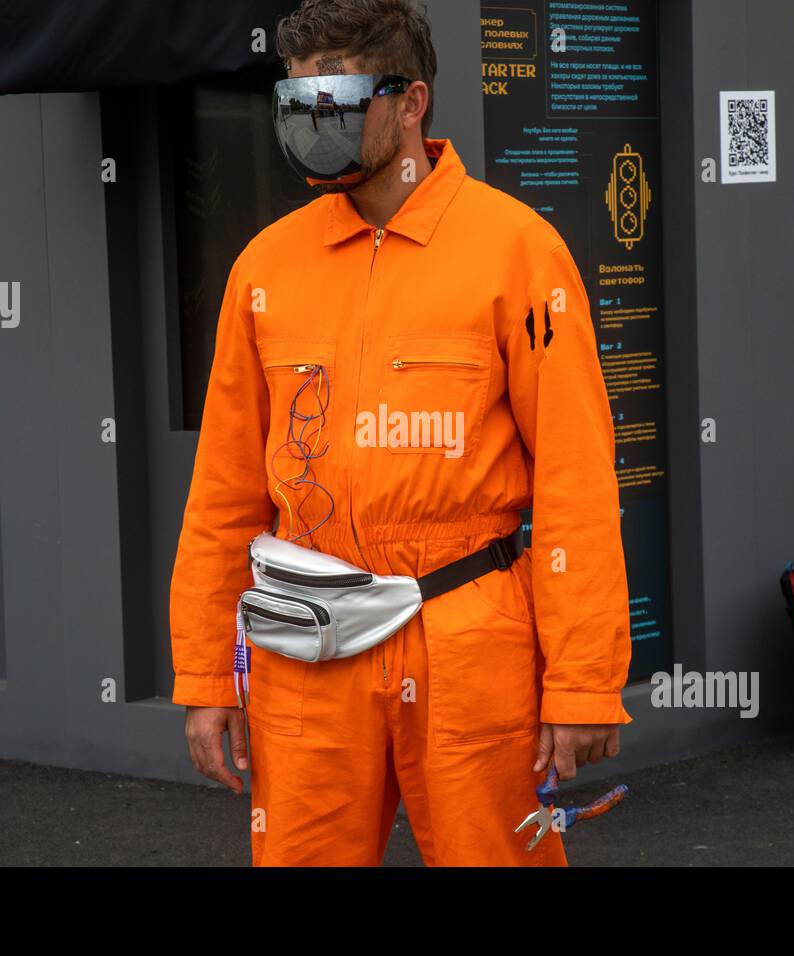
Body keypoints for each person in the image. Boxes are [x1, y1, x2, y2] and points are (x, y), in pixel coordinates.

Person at [169, 0, 631, 866]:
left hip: (469, 635)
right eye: (296, 104)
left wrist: (583, 680)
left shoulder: (517, 253)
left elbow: (575, 480)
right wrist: (205, 673)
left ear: (410, 102)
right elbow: (226, 490)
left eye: (335, 101)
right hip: (307, 638)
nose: (314, 126)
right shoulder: (266, 269)